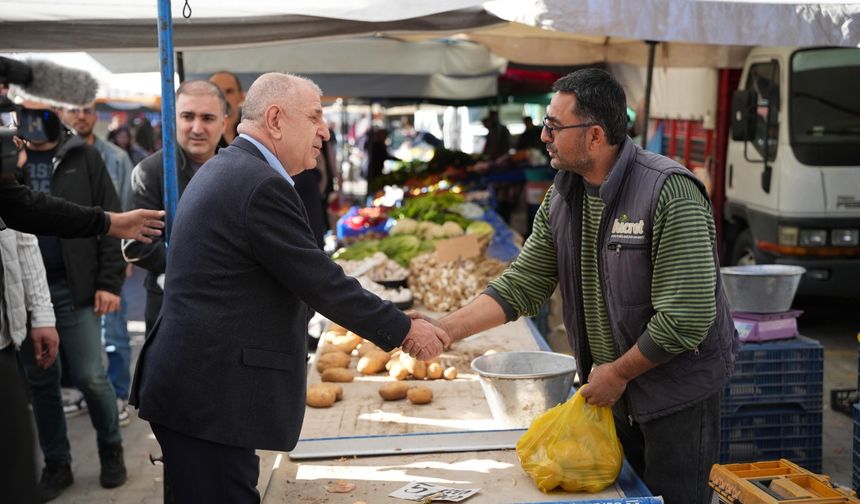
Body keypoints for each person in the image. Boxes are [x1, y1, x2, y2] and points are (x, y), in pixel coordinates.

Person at [412, 69, 738, 504]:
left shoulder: (668, 192)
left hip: (675, 396)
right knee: (627, 496)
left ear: (595, 135)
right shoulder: (563, 195)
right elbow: (524, 283)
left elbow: (686, 318)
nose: (543, 136)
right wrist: (445, 329)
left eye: (553, 126)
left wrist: (618, 372)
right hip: (614, 391)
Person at [130, 72, 449, 504]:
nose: (326, 130)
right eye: (315, 116)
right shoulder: (258, 183)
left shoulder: (237, 168)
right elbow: (320, 280)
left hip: (201, 391)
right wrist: (403, 330)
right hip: (209, 396)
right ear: (276, 119)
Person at [18, 101, 128, 501]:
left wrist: (109, 282)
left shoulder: (84, 156)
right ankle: (58, 464)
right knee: (41, 383)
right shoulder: (10, 158)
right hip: (26, 294)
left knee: (91, 376)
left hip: (74, 286)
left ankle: (111, 450)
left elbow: (112, 220)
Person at [122, 80, 227, 333]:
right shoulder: (150, 172)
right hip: (170, 307)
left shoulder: (242, 170)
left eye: (208, 118)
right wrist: (210, 263)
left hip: (228, 305)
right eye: (188, 116)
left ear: (223, 123)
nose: (197, 128)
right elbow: (137, 246)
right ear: (173, 120)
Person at [61, 103, 136, 427]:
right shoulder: (58, 154)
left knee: (114, 330)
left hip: (108, 256)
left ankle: (119, 393)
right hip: (72, 260)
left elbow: (126, 207)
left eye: (88, 109)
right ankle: (86, 392)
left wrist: (123, 257)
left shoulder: (115, 157)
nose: (81, 115)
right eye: (74, 109)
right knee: (79, 334)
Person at [209, 70, 245, 145]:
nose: (223, 97)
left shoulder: (251, 130)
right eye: (216, 92)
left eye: (229, 91)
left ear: (241, 96)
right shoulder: (203, 131)